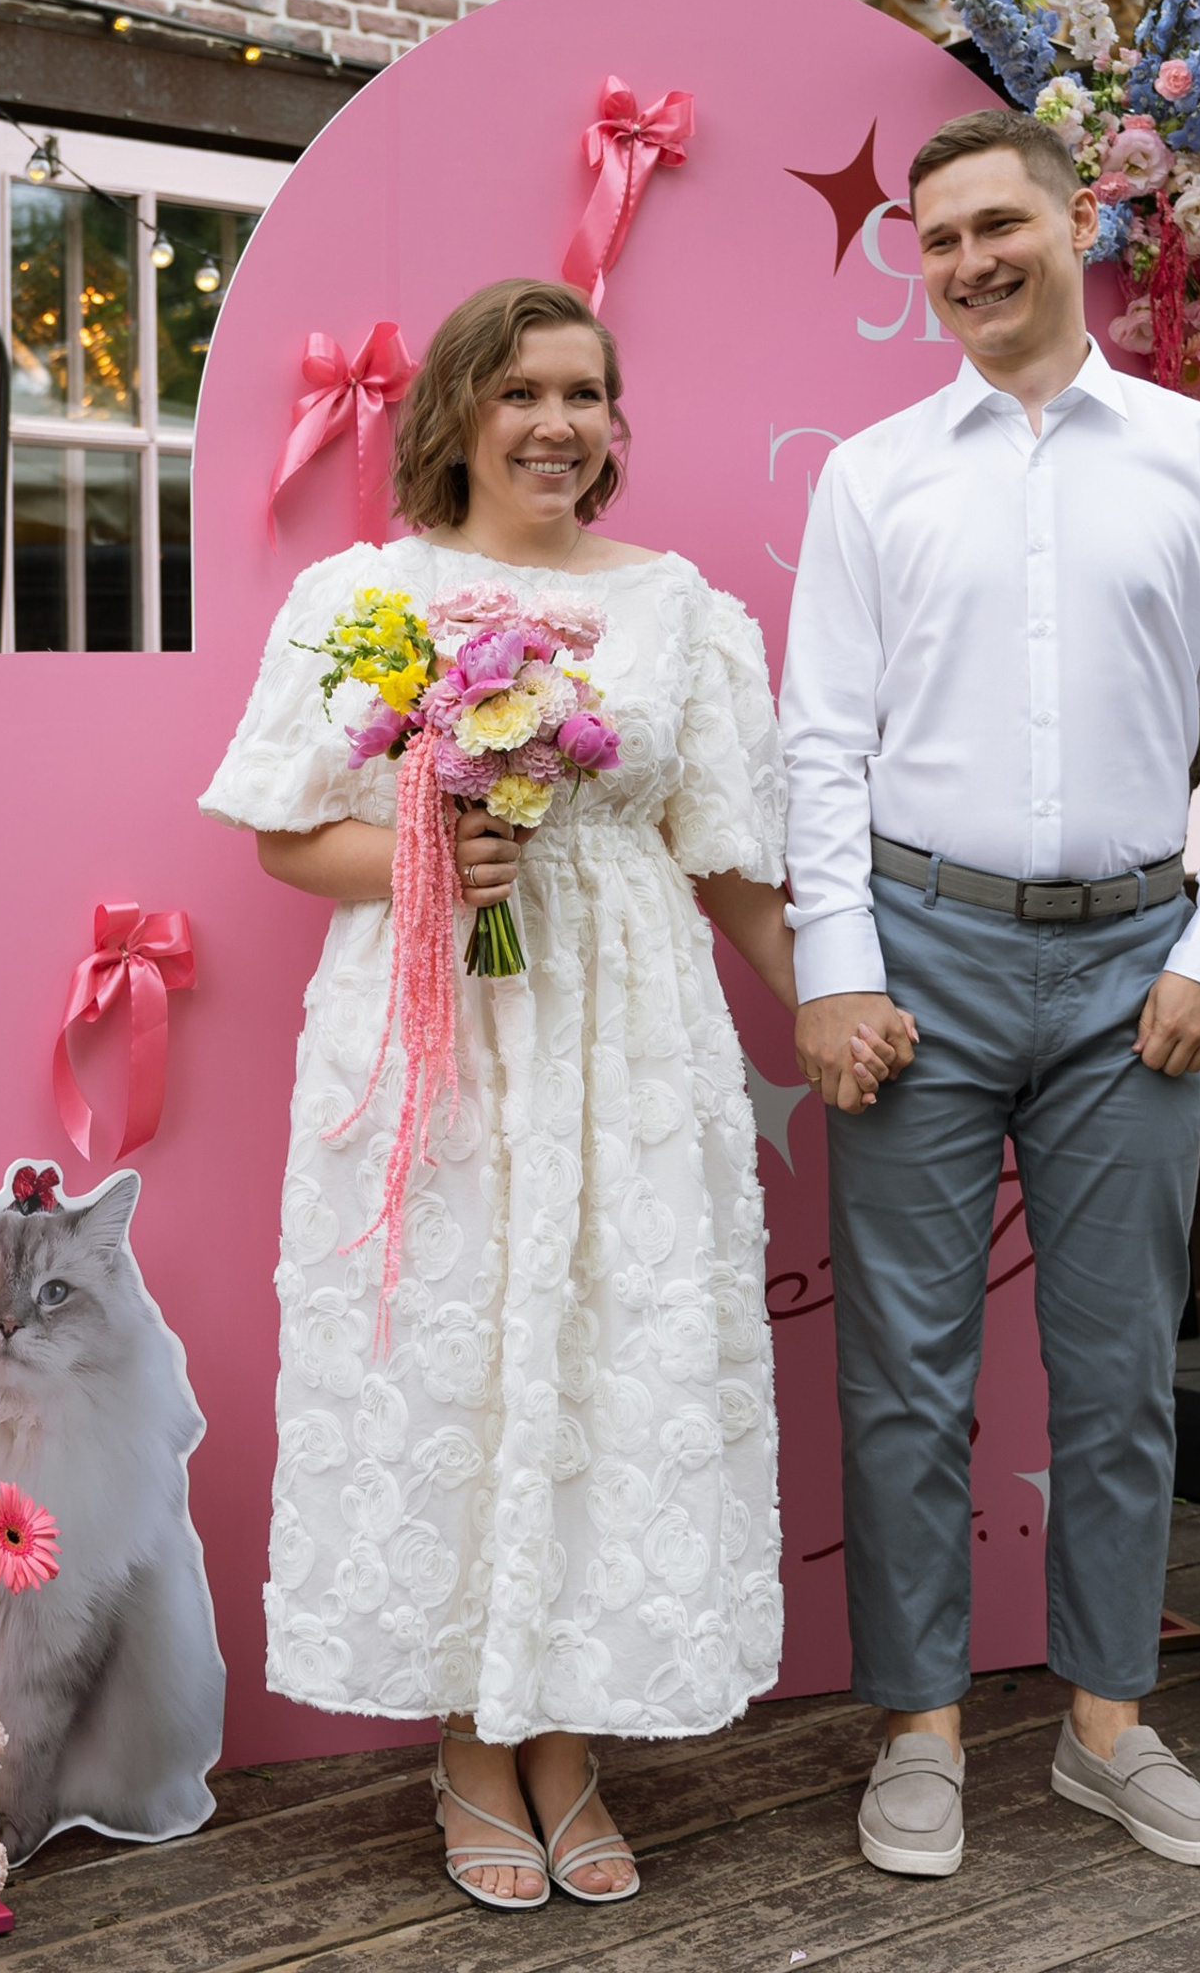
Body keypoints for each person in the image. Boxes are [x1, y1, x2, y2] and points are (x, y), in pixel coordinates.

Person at [202, 278, 889, 1910]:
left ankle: (572, 1743)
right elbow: (289, 835)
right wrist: (431, 845)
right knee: (459, 1357)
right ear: (456, 413)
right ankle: (466, 1743)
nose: (558, 426)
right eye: (522, 393)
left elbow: (722, 858)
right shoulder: (367, 595)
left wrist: (830, 1007)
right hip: (437, 1029)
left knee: (611, 1356)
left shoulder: (681, 610)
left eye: (585, 395)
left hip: (630, 1038)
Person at [779, 109, 1200, 1879]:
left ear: (1077, 227)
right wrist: (835, 969)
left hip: (1134, 972)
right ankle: (918, 1730)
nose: (969, 261)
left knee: (1118, 1376)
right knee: (907, 1377)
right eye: (937, 239)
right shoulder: (872, 476)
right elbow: (820, 746)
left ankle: (1104, 1726)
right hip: (917, 958)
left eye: (998, 223)